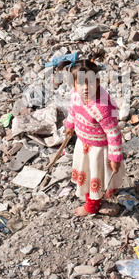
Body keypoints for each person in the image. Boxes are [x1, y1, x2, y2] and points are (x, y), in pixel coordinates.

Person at [56, 53, 125, 216]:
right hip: (83, 144)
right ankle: (95, 199)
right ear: (73, 85)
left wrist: (115, 158)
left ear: (98, 82)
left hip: (98, 151)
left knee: (94, 176)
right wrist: (70, 126)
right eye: (81, 83)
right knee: (87, 174)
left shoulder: (102, 108)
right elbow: (73, 111)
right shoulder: (76, 96)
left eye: (91, 83)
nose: (86, 87)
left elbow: (114, 133)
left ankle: (91, 206)